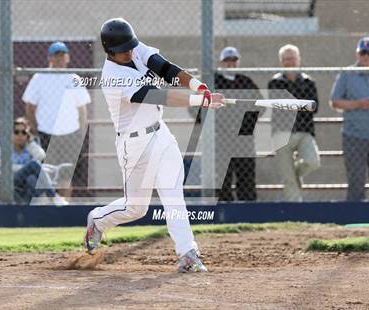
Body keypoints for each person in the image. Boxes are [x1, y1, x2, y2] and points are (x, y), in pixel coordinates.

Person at [84, 18, 225, 272]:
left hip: (161, 135)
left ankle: (187, 253)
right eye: (123, 50)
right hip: (134, 144)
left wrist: (196, 85)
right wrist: (199, 101)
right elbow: (159, 95)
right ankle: (97, 220)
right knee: (135, 208)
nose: (129, 52)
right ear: (110, 51)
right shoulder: (113, 76)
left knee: (173, 195)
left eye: (130, 46)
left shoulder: (133, 48)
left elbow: (165, 69)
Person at [22, 41, 91, 200]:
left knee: (66, 177)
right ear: (49, 58)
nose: (59, 59)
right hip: (45, 133)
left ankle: (63, 211)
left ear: (68, 58)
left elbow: (82, 111)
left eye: (62, 55)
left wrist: (80, 134)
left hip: (70, 135)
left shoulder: (74, 78)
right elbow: (30, 106)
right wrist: (36, 129)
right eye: (56, 55)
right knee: (45, 176)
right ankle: (48, 213)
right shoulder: (39, 77)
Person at [268, 44, 320, 202]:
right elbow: (278, 108)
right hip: (282, 133)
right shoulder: (275, 83)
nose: (289, 62)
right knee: (287, 180)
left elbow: (314, 107)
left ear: (299, 60)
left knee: (312, 161)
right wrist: (300, 105)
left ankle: (295, 173)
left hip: (304, 130)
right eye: (286, 59)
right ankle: (295, 209)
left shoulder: (308, 81)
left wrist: (292, 105)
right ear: (280, 62)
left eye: (292, 58)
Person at [330, 36, 369, 201]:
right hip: (354, 136)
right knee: (356, 181)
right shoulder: (347, 74)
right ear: (357, 54)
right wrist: (357, 104)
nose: (366, 56)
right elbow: (335, 101)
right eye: (363, 52)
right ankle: (354, 218)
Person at [215, 47, 262, 202]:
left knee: (246, 176)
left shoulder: (246, 81)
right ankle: (224, 211)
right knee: (222, 178)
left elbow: (259, 106)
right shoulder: (214, 81)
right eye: (227, 61)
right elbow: (196, 108)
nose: (231, 64)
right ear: (221, 63)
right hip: (220, 138)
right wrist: (212, 126)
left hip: (243, 139)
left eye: (234, 61)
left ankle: (247, 211)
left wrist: (246, 128)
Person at [0, 117, 67, 205]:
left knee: (32, 179)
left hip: (28, 180)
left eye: (24, 132)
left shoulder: (29, 147)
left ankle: (27, 206)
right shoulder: (3, 148)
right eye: (16, 132)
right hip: (12, 180)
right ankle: (53, 195)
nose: (20, 135)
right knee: (33, 164)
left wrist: (31, 142)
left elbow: (42, 156)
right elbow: (6, 167)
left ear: (27, 135)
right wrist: (27, 168)